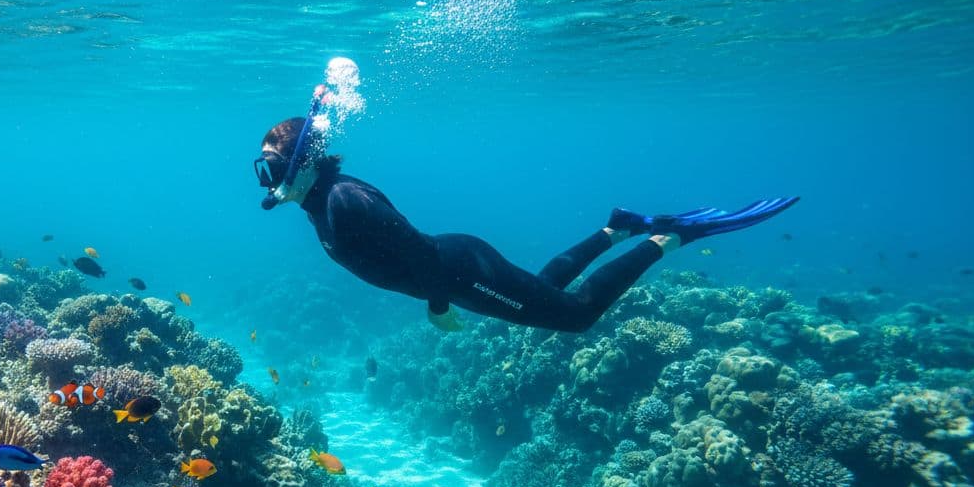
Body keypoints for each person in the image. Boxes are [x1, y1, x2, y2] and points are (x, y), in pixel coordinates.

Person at [254, 115, 798, 332]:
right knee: (544, 288)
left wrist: (438, 305)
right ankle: (617, 228)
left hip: (458, 273)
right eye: (264, 170)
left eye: (273, 167)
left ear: (303, 161)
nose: (267, 179)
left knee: (577, 317)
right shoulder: (316, 200)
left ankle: (671, 237)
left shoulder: (345, 200)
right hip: (457, 268)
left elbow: (416, 256)